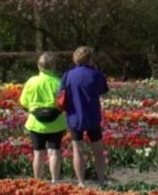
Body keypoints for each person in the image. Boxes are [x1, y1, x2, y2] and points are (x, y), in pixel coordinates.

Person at [60, 46, 110, 187]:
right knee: (98, 151)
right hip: (92, 115)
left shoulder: (68, 75)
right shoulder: (96, 74)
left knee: (77, 150)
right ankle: (101, 181)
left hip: (74, 116)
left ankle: (81, 182)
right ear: (90, 58)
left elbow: (62, 93)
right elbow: (103, 90)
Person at [19, 52, 68, 182]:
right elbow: (64, 103)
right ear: (54, 66)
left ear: (38, 66)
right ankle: (55, 181)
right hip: (56, 122)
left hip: (36, 123)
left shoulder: (31, 81)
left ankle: (38, 181)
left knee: (38, 153)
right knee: (54, 152)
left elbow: (23, 102)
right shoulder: (59, 82)